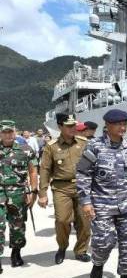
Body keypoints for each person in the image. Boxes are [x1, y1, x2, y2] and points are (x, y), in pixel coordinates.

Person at [76, 109, 127, 278]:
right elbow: (82, 174)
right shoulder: (94, 146)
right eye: (118, 124)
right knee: (104, 241)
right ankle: (98, 263)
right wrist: (86, 202)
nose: (122, 128)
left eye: (125, 124)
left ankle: (125, 277)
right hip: (102, 204)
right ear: (108, 125)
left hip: (126, 204)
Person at [38, 113, 91, 264]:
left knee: (84, 221)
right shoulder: (51, 146)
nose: (73, 128)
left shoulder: (83, 142)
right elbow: (45, 170)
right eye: (68, 126)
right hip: (62, 187)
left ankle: (81, 250)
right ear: (60, 126)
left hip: (82, 187)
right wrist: (43, 193)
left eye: (74, 125)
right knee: (62, 220)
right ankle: (62, 247)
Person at [0, 120, 38, 272]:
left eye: (10, 132)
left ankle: (16, 252)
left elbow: (33, 171)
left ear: (15, 132)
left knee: (18, 225)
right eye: (5, 132)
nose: (8, 135)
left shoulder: (26, 149)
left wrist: (33, 191)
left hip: (19, 193)